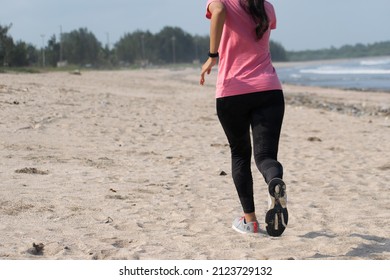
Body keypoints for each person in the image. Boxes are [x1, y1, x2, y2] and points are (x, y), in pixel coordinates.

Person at [200, 0, 288, 237]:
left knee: (240, 154)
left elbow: (218, 11)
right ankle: (275, 179)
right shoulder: (268, 8)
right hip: (269, 90)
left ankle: (251, 221)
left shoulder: (223, 2)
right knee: (266, 157)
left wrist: (212, 55)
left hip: (232, 92)